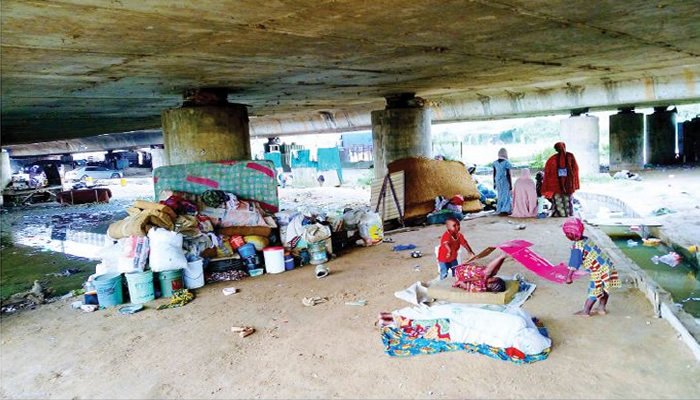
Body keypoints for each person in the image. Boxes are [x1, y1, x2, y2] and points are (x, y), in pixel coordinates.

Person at [563, 218, 621, 316]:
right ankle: (601, 308)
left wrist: (569, 277)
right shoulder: (587, 239)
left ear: (570, 235)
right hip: (608, 266)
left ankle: (586, 311)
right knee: (604, 288)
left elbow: (574, 264)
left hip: (598, 270)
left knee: (594, 291)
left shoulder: (577, 247)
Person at [542, 142, 579, 217]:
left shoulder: (552, 159)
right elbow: (576, 169)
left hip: (556, 185)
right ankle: (568, 214)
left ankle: (560, 214)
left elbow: (548, 172)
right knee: (568, 199)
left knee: (558, 200)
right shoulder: (570, 156)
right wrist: (572, 180)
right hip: (568, 184)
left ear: (556, 149)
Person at [492, 148, 513, 215]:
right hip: (504, 180)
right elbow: (508, 174)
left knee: (500, 194)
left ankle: (500, 209)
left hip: (497, 180)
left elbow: (494, 173)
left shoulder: (495, 163)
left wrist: (494, 183)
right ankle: (505, 210)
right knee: (506, 195)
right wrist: (510, 184)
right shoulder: (507, 162)